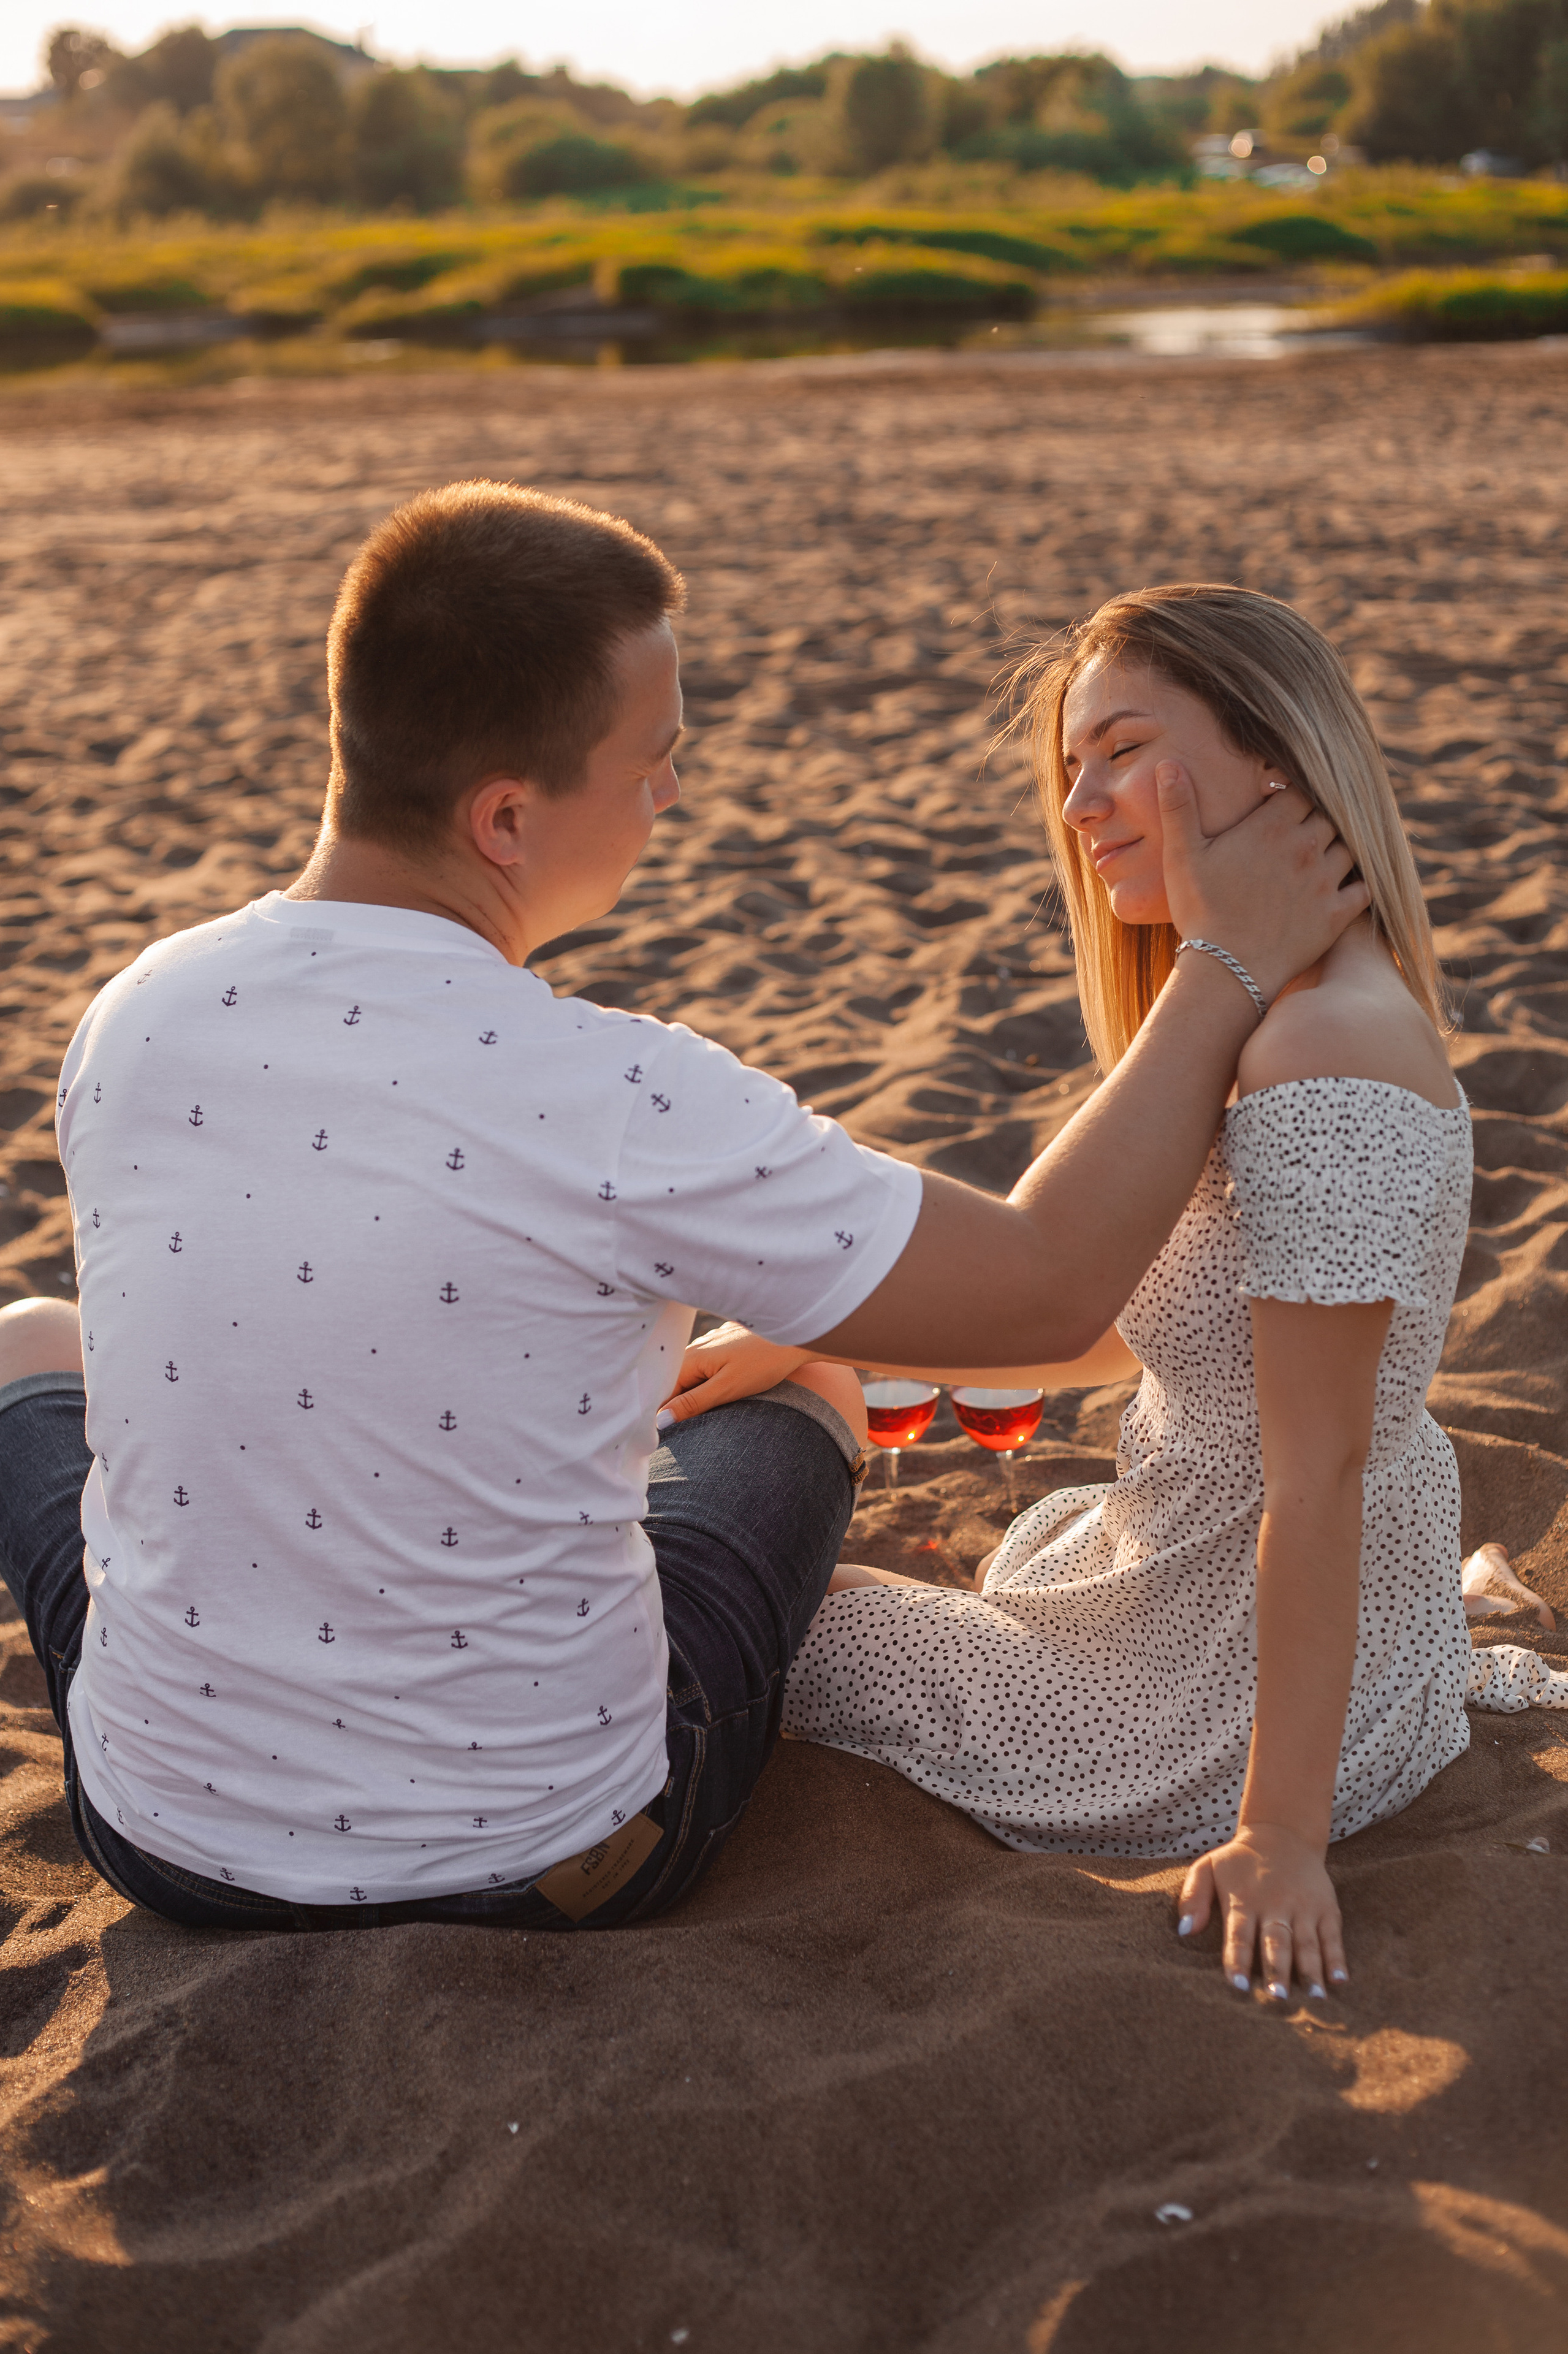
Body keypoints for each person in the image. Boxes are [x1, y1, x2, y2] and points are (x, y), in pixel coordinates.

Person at [0, 497, 1365, 1935]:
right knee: (811, 1377)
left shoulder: (135, 1012)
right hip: (551, 1851)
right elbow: (1046, 1294)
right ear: (506, 818)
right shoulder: (615, 1091)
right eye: (654, 764)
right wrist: (1222, 964)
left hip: (164, 1839)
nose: (671, 799)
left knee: (31, 1337)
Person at [668, 583, 1564, 1998]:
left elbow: (1314, 1473)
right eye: (1070, 767)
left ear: (1273, 760)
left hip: (1209, 1695)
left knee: (788, 1619)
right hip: (1219, 1589)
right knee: (953, 1568)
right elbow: (1162, 1325)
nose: (1081, 804)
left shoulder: (1319, 1052)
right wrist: (807, 1332)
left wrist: (1275, 1839)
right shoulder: (1280, 1009)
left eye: (1122, 750)